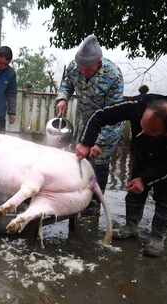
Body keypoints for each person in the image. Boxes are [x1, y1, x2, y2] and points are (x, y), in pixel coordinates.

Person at [75, 94, 167, 257]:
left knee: (166, 196)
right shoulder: (139, 105)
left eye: (149, 131)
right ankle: (131, 226)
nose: (141, 132)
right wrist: (86, 143)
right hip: (143, 153)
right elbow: (99, 116)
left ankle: (157, 237)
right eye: (141, 125)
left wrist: (146, 180)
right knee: (135, 189)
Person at [55, 34, 124, 216]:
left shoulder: (113, 75)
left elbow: (115, 114)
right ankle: (78, 195)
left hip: (106, 127)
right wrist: (63, 98)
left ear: (98, 62)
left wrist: (99, 144)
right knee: (79, 158)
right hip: (84, 123)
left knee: (98, 163)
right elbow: (66, 83)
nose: (83, 72)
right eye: (81, 68)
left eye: (88, 69)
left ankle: (93, 204)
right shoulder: (74, 67)